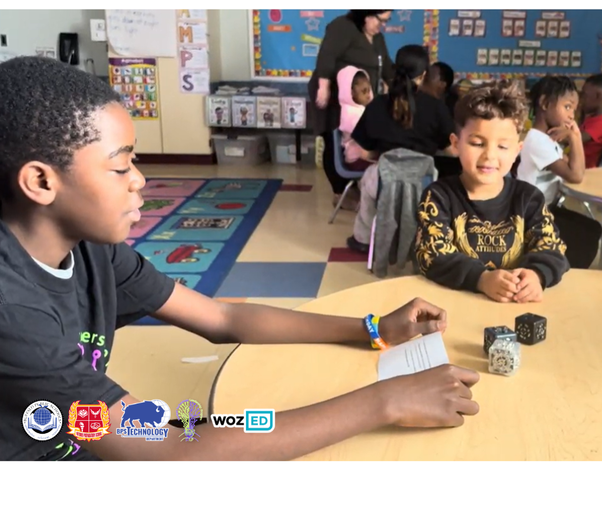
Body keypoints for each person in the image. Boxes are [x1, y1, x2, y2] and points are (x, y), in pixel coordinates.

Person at [0, 56, 480, 462]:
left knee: (229, 422)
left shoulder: (92, 249)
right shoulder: (12, 312)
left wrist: (372, 329)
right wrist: (387, 401)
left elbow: (222, 317)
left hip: (101, 436)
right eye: (121, 165)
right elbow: (171, 452)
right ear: (41, 182)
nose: (140, 180)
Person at [414, 81, 569, 304]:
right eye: (477, 143)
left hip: (513, 309)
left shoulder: (529, 198)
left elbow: (552, 247)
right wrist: (481, 278)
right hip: (453, 307)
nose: (489, 156)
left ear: (517, 151)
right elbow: (433, 254)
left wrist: (536, 275)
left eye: (502, 147)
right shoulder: (438, 197)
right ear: (456, 144)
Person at [346, 45, 456, 254]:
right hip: (423, 185)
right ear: (423, 75)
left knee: (368, 179)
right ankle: (426, 239)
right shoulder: (436, 107)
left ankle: (363, 239)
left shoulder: (377, 104)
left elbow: (364, 152)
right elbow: (453, 151)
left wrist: (384, 155)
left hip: (384, 183)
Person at [310, 11, 395, 210]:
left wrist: (402, 87)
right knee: (335, 141)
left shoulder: (377, 37)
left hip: (362, 100)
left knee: (357, 141)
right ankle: (339, 192)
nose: (382, 25)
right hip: (336, 97)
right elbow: (327, 56)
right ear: (366, 14)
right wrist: (324, 87)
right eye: (379, 19)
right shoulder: (343, 26)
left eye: (386, 21)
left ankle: (356, 187)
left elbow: (388, 67)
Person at [517, 76, 602, 269]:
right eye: (567, 107)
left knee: (592, 228)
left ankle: (566, 269)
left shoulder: (548, 141)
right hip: (532, 216)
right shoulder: (537, 141)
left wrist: (573, 137)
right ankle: (564, 273)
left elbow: (575, 168)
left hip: (548, 207)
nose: (572, 115)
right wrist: (575, 136)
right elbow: (576, 175)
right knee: (584, 237)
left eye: (574, 108)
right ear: (545, 103)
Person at [337, 66, 373, 171]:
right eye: (364, 91)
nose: (368, 95)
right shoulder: (350, 113)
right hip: (357, 159)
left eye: (369, 91)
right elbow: (368, 134)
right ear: (351, 92)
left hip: (362, 156)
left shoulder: (359, 109)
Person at [579, 74, 602, 169]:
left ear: (598, 97)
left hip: (584, 168)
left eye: (584, 95)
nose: (580, 100)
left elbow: (577, 139)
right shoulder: (593, 119)